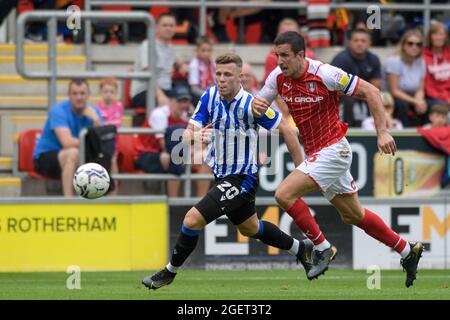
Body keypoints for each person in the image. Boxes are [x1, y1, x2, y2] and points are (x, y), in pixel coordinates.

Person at [253, 31, 423, 287]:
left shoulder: (325, 73)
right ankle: (407, 250)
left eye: (285, 55)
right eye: (277, 55)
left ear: (301, 55)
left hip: (334, 150)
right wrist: (255, 108)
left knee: (283, 194)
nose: (279, 61)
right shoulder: (277, 78)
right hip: (318, 153)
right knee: (353, 215)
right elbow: (257, 105)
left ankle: (322, 247)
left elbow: (372, 91)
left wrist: (382, 132)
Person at [142, 53, 312, 290]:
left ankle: (169, 272)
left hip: (243, 178)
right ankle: (300, 248)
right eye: (218, 74)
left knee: (191, 220)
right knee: (250, 227)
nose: (221, 79)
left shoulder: (253, 105)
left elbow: (287, 129)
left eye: (227, 75)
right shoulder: (209, 96)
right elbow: (185, 135)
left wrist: (301, 171)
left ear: (239, 77)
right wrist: (195, 136)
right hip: (221, 175)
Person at [134, 85, 211, 198]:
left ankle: (200, 203)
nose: (183, 105)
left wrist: (194, 115)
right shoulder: (160, 114)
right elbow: (165, 146)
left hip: (176, 151)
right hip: (146, 153)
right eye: (179, 101)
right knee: (175, 158)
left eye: (186, 101)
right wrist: (192, 149)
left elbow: (200, 140)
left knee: (205, 157)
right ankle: (173, 203)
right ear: (170, 101)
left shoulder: (185, 115)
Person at [33, 79, 103, 197]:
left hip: (81, 153)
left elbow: (101, 142)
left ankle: (111, 202)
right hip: (46, 156)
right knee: (73, 153)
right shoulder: (58, 111)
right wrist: (92, 144)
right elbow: (67, 142)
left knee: (108, 155)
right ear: (69, 95)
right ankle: (69, 202)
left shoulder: (94, 112)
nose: (79, 97)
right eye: (75, 93)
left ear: (88, 95)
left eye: (82, 93)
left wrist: (96, 121)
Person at [130, 13, 186, 108]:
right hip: (145, 92)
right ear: (156, 27)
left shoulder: (170, 48)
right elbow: (148, 75)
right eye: (164, 25)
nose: (168, 28)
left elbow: (178, 62)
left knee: (190, 98)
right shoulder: (148, 45)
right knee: (173, 105)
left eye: (171, 26)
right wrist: (160, 95)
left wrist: (182, 65)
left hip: (167, 90)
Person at [331, 29, 383, 127]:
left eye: (363, 41)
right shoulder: (341, 59)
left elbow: (376, 84)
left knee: (378, 97)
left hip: (364, 94)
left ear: (369, 43)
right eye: (356, 40)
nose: (359, 44)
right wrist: (365, 94)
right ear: (350, 42)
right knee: (348, 101)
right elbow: (336, 88)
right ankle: (347, 129)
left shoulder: (374, 59)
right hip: (345, 96)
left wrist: (367, 94)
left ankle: (375, 128)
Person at [385, 29, 427, 127]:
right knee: (402, 105)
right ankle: (403, 135)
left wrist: (419, 102)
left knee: (428, 105)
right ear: (403, 45)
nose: (414, 47)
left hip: (411, 97)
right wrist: (415, 101)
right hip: (391, 97)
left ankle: (427, 135)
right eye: (410, 43)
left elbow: (420, 89)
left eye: (418, 44)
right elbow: (394, 91)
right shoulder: (394, 61)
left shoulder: (421, 62)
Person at [96, 78, 124, 194]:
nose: (108, 95)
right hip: (100, 144)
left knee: (113, 161)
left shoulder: (119, 106)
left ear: (116, 93)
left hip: (113, 143)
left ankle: (114, 193)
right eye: (106, 91)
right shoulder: (96, 108)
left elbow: (115, 124)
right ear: (101, 93)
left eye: (111, 92)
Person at [423, 21, 450, 107]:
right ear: (430, 37)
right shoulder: (423, 56)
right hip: (434, 97)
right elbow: (428, 86)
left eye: (441, 34)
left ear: (446, 36)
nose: (438, 37)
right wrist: (446, 98)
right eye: (435, 34)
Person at [188, 36, 216, 102]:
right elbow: (194, 88)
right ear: (197, 51)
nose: (206, 53)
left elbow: (215, 82)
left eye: (209, 50)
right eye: (203, 50)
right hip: (198, 94)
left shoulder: (213, 64)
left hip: (211, 92)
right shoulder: (194, 64)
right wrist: (207, 95)